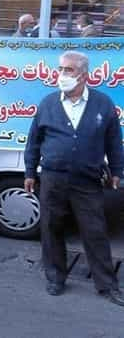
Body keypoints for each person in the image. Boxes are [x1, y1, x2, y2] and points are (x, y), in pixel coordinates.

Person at [23, 51, 124, 306]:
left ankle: (107, 285)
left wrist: (117, 172)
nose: (62, 75)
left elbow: (114, 143)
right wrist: (29, 172)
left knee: (95, 231)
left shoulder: (103, 104)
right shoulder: (48, 103)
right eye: (60, 69)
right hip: (53, 179)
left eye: (68, 70)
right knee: (51, 227)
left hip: (87, 180)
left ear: (83, 75)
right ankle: (56, 277)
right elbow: (33, 141)